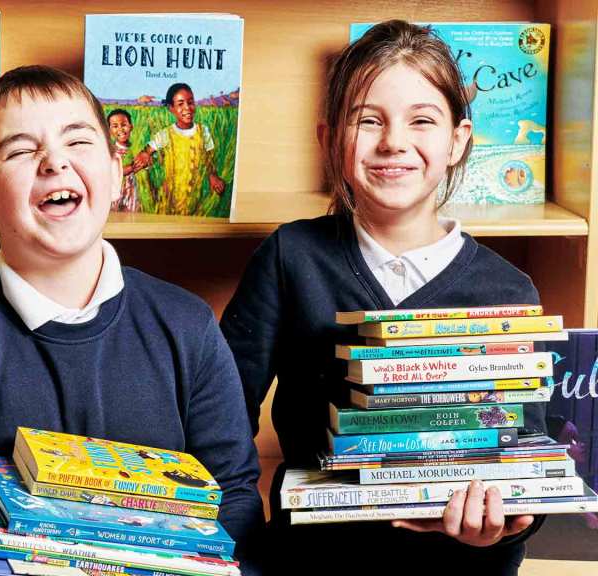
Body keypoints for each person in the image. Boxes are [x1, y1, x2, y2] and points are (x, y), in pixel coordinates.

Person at [0, 65, 264, 575]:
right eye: (20, 150)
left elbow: (234, 498)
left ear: (116, 171)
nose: (55, 162)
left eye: (77, 141)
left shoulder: (189, 327)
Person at [220, 20, 543, 575]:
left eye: (422, 120)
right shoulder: (290, 257)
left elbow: (529, 461)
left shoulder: (509, 291)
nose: (393, 141)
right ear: (330, 140)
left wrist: (506, 524)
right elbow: (222, 421)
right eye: (368, 120)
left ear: (458, 140)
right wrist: (240, 550)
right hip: (310, 564)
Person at [133, 82, 225, 215]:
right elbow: (146, 151)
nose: (187, 108)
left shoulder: (203, 131)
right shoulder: (166, 134)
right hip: (169, 197)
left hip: (194, 196)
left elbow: (209, 158)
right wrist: (145, 154)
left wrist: (213, 176)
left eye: (190, 102)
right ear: (171, 108)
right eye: (180, 104)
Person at [106, 109, 141, 212]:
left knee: (130, 213)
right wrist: (132, 167)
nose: (120, 129)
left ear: (131, 127)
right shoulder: (109, 151)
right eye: (115, 126)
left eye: (124, 125)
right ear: (109, 130)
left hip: (131, 190)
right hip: (116, 191)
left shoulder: (137, 148)